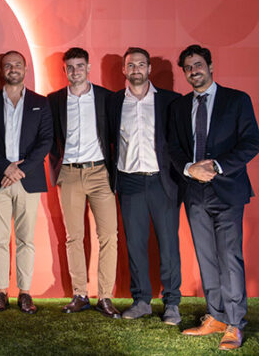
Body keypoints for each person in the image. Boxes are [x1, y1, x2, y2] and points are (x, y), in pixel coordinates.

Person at [168, 45, 259, 351]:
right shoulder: (180, 107)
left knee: (229, 257)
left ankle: (235, 322)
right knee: (206, 256)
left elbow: (251, 142)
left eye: (198, 65)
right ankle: (216, 316)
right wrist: (189, 168)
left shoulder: (237, 100)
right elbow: (173, 147)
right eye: (188, 68)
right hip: (194, 192)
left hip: (228, 189)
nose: (193, 71)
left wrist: (217, 166)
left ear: (210, 66)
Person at [107, 47, 182, 325]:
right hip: (129, 181)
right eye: (131, 65)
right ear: (124, 70)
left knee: (169, 244)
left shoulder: (170, 101)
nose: (136, 69)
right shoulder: (114, 102)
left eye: (141, 64)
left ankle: (172, 303)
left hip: (162, 181)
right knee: (135, 244)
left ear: (149, 68)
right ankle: (141, 301)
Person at [46, 47, 120, 318]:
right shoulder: (54, 100)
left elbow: (115, 135)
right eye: (70, 67)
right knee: (74, 237)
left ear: (88, 68)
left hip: (100, 172)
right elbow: (48, 137)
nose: (75, 71)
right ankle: (80, 294)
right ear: (64, 70)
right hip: (69, 174)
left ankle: (105, 296)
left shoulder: (106, 98)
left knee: (109, 235)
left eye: (80, 66)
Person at [0, 50, 52, 315]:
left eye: (18, 64)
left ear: (25, 69)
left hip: (27, 179)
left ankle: (24, 292)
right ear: (1, 71)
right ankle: (0, 291)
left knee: (25, 239)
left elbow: (46, 140)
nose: (13, 69)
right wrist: (5, 167)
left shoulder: (41, 103)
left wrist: (21, 169)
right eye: (8, 65)